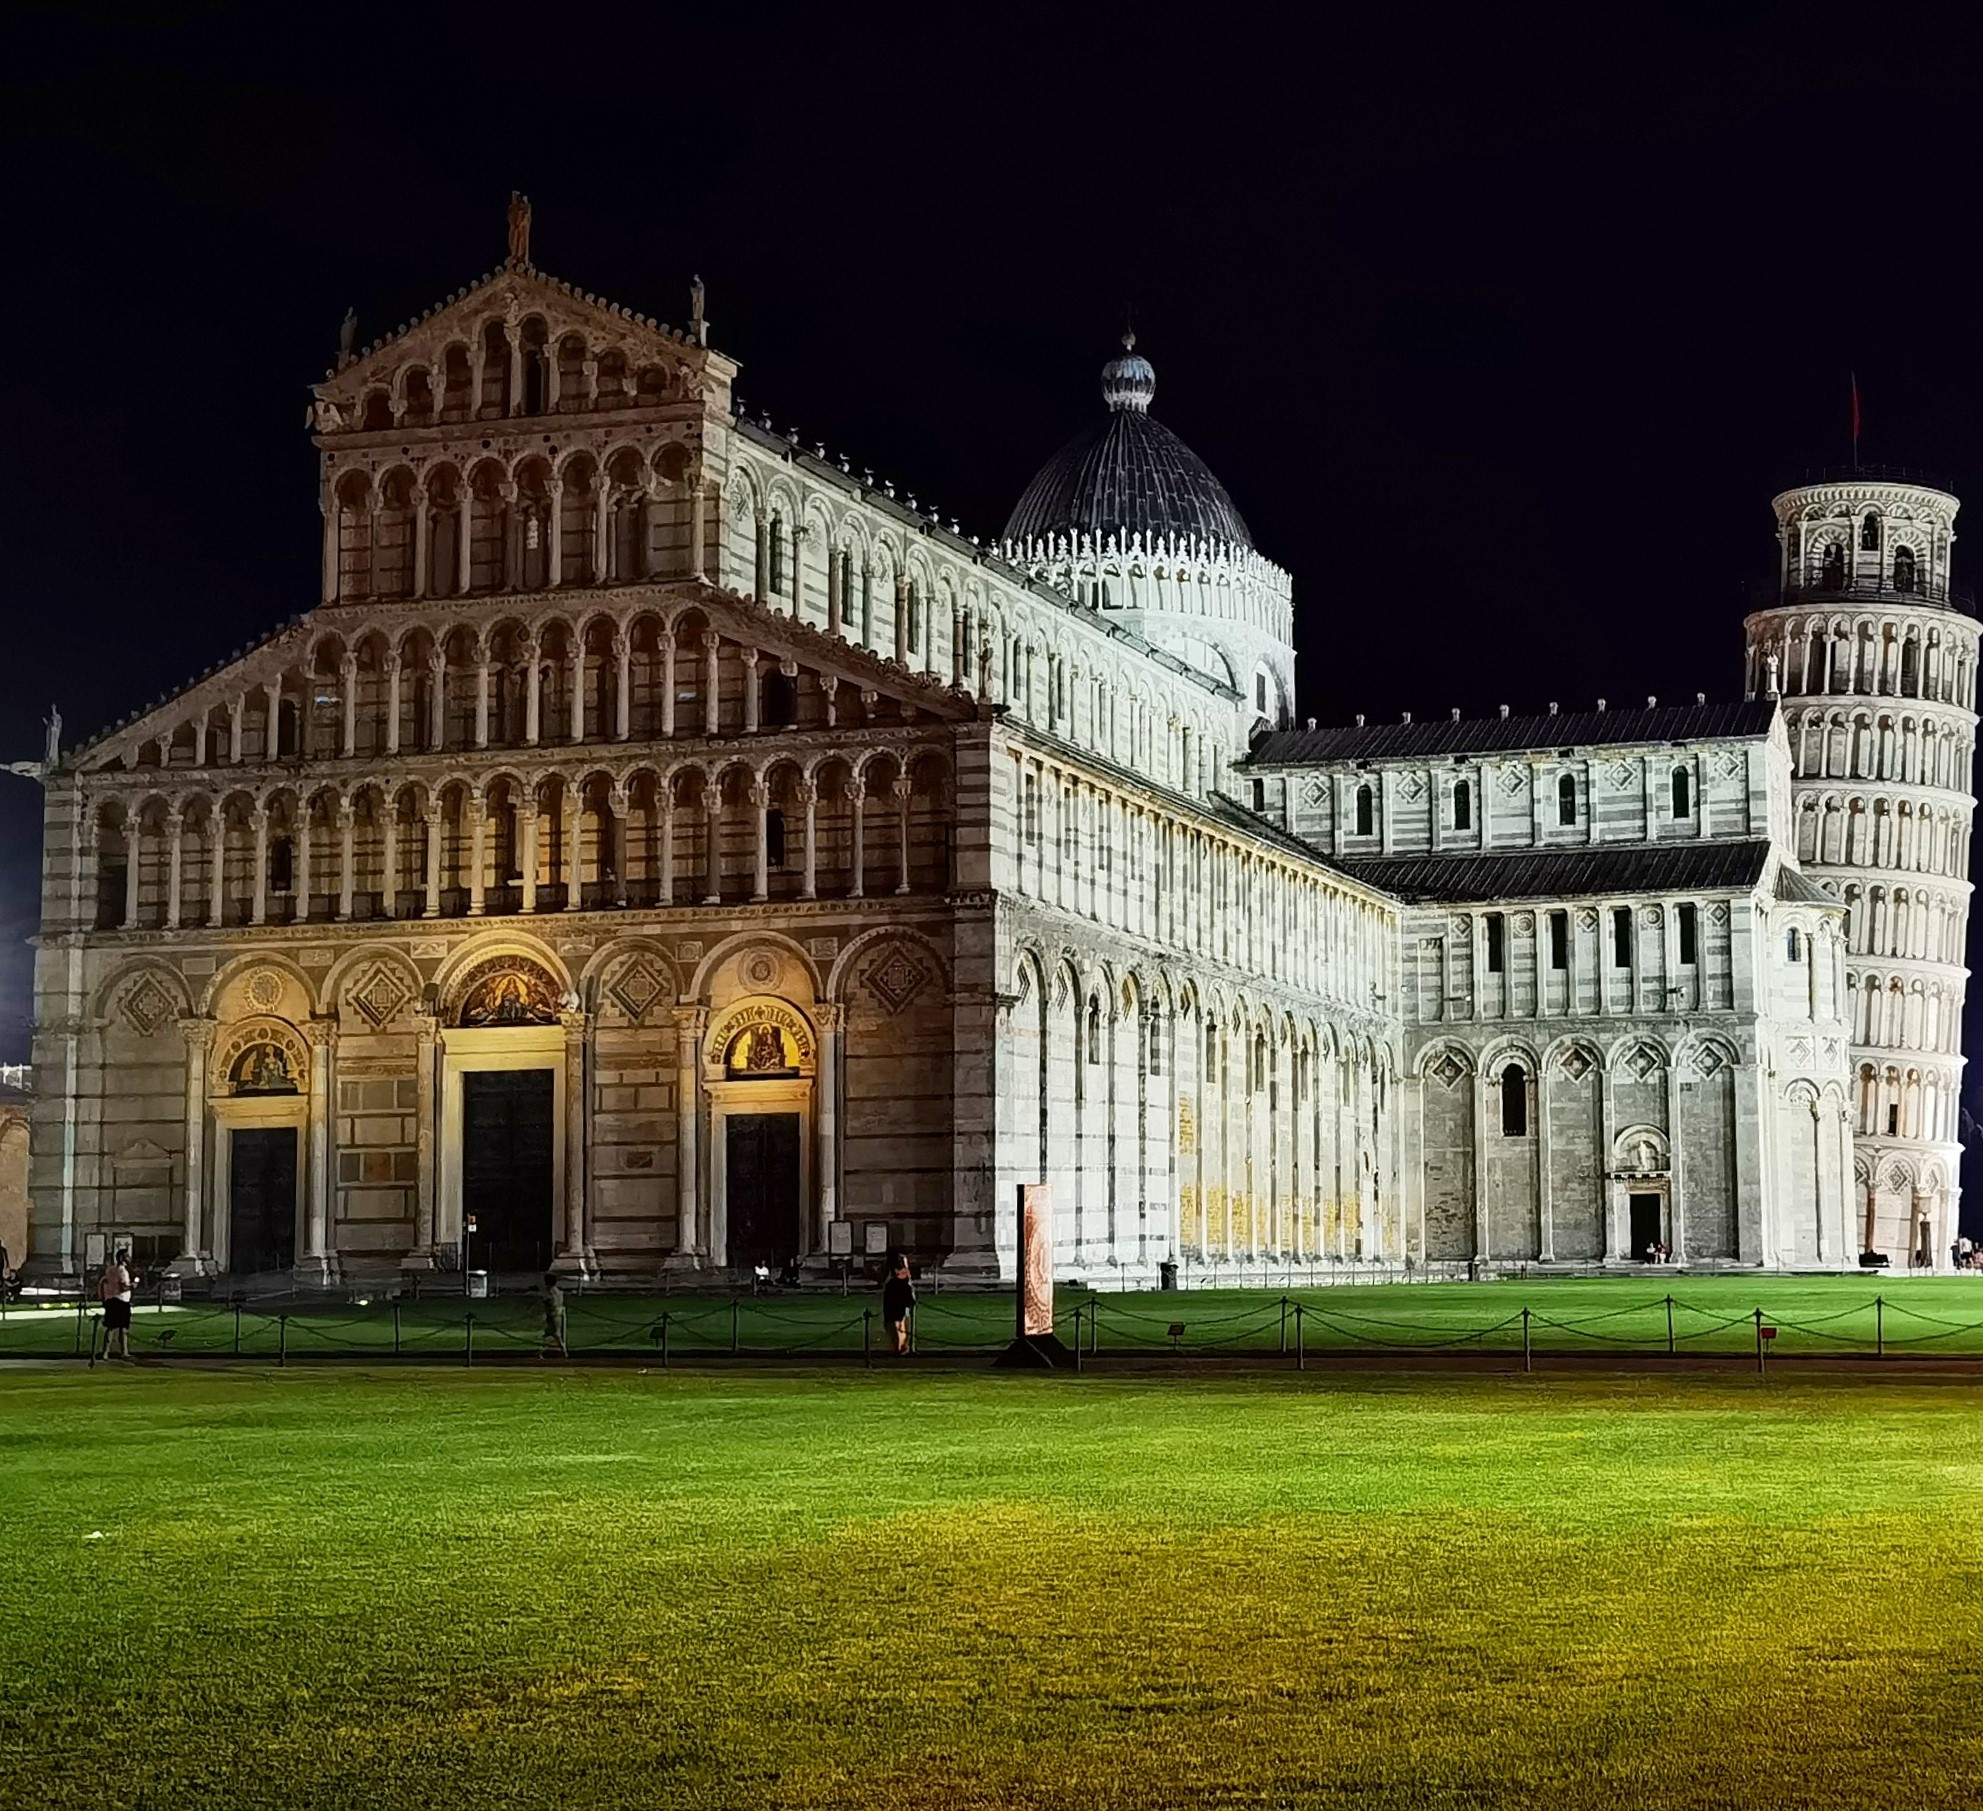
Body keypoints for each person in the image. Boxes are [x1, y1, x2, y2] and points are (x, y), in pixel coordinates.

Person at [99, 1250, 135, 1360]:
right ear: (122, 1258)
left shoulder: (109, 1270)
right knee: (123, 1328)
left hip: (110, 1300)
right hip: (121, 1301)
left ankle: (105, 1352)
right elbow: (123, 1287)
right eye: (127, 1256)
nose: (129, 1258)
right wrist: (133, 1286)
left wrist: (103, 1298)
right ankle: (124, 1351)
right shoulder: (122, 1271)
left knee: (110, 1328)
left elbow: (102, 1283)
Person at [881, 1256, 916, 1356]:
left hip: (895, 1309)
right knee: (898, 1327)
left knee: (898, 1327)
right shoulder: (897, 1284)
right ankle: (899, 1348)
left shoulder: (894, 1284)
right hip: (896, 1309)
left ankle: (899, 1348)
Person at [540, 1274, 567, 1359]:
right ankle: (543, 1351)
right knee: (548, 1333)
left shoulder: (552, 1293)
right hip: (556, 1314)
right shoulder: (557, 1291)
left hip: (554, 1315)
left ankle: (564, 1351)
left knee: (556, 1333)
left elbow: (552, 1303)